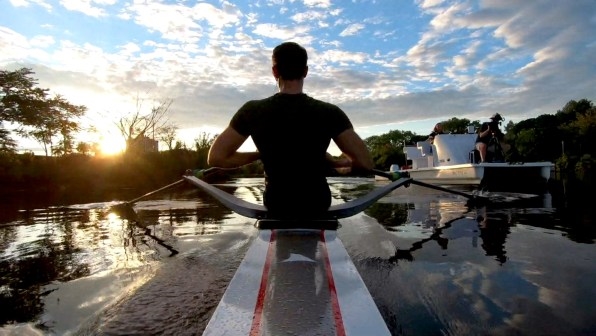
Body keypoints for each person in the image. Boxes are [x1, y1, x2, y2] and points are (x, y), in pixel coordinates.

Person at [207, 42, 373, 217]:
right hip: (317, 202)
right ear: (305, 71)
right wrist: (333, 163)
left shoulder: (252, 111)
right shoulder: (330, 112)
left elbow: (217, 157)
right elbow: (365, 163)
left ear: (275, 72)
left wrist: (261, 153)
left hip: (277, 203)